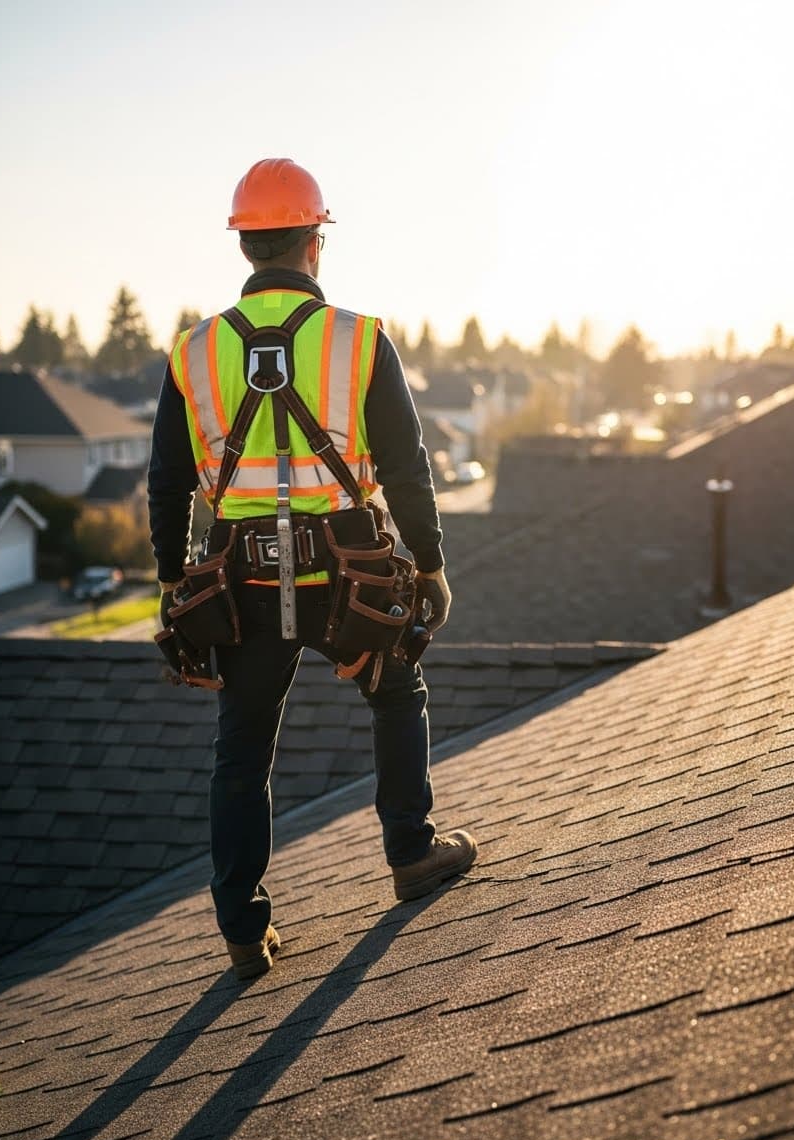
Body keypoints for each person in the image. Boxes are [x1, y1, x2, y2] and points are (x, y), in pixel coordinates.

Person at [148, 158, 477, 980]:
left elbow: (167, 479)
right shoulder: (358, 339)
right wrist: (430, 561)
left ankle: (240, 925)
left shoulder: (193, 352)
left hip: (241, 581)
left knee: (243, 746)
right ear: (314, 241)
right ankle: (411, 850)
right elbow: (406, 466)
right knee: (397, 688)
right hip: (346, 570)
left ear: (247, 247)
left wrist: (168, 577)